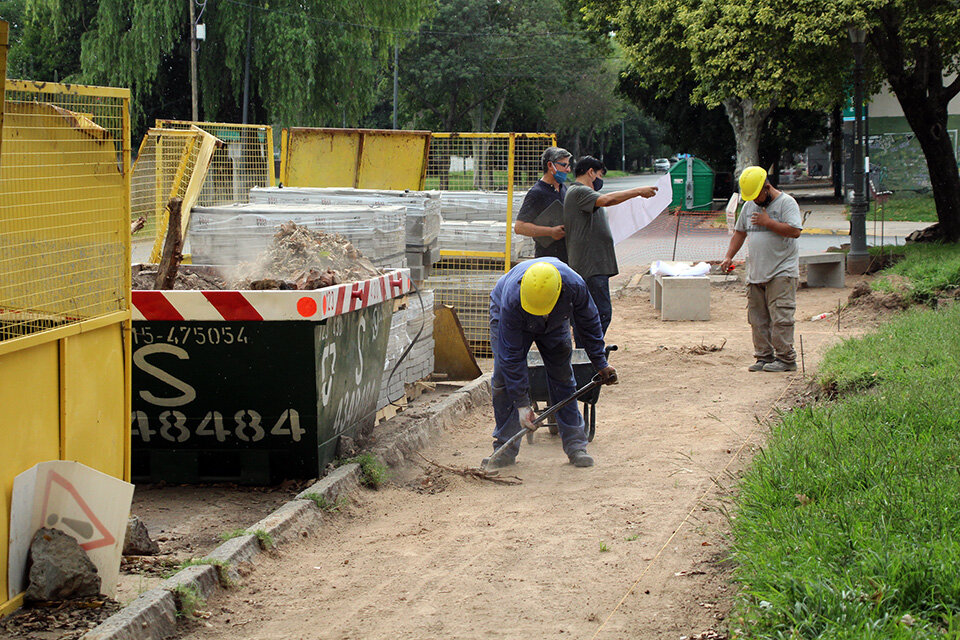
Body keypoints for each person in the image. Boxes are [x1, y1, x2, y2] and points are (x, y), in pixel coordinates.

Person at [485, 258, 617, 469]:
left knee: (562, 376)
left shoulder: (574, 286)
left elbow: (589, 323)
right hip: (513, 318)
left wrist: (600, 363)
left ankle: (576, 446)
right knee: (502, 377)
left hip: (555, 321)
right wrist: (521, 404)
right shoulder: (512, 298)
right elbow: (511, 357)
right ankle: (504, 449)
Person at [563, 155, 658, 343]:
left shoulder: (587, 196)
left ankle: (587, 354)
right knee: (600, 314)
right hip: (590, 268)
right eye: (599, 174)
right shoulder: (578, 192)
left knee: (592, 316)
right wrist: (638, 191)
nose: (600, 180)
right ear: (590, 172)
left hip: (596, 266)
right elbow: (607, 200)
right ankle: (588, 354)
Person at [720, 166, 803, 372]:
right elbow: (740, 233)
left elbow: (795, 231)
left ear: (767, 186)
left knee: (781, 318)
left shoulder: (786, 203)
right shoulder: (749, 206)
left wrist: (769, 222)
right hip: (756, 272)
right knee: (757, 319)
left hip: (781, 272)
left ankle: (786, 359)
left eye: (758, 196)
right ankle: (764, 357)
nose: (755, 201)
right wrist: (729, 256)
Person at [514, 147, 574, 263]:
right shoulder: (537, 193)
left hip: (566, 257)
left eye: (568, 165)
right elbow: (519, 227)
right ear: (550, 165)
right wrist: (550, 232)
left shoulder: (563, 188)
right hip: (547, 259)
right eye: (564, 165)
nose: (568, 169)